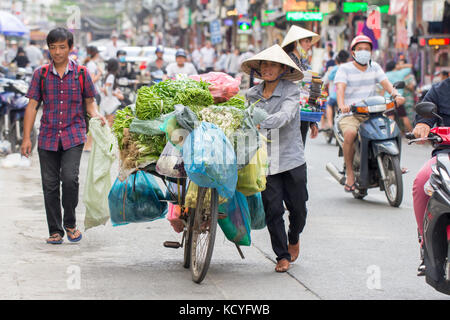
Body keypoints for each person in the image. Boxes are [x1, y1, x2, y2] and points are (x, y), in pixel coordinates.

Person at [20, 27, 106, 245]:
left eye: (61, 47)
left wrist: (96, 115)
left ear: (70, 48)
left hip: (73, 134)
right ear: (48, 48)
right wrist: (26, 138)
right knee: (49, 185)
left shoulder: (81, 73)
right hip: (48, 135)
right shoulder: (40, 74)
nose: (57, 52)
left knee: (69, 179)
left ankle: (70, 223)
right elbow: (32, 106)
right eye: (52, 47)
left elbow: (89, 102)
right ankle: (55, 230)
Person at [242, 44, 308, 273]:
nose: (267, 68)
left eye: (272, 65)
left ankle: (294, 235)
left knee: (298, 209)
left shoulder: (291, 91)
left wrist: (260, 122)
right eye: (264, 65)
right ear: (259, 69)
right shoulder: (251, 95)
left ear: (282, 68)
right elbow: (243, 124)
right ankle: (282, 255)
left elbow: (285, 116)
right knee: (273, 209)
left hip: (291, 158)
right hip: (266, 161)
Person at [335, 35, 405, 193]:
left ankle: (395, 164)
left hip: (373, 112)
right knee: (350, 134)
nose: (364, 52)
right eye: (360, 49)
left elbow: (386, 84)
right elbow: (340, 89)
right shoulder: (344, 69)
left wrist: (396, 95)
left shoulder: (375, 67)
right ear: (353, 52)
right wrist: (342, 105)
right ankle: (350, 174)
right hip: (351, 114)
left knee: (393, 129)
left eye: (367, 49)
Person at [412, 77, 450, 276]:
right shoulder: (439, 90)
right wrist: (423, 127)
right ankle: (425, 244)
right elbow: (424, 120)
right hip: (446, 156)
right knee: (421, 181)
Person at [281, 25, 321, 146]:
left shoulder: (304, 64)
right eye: (306, 41)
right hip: (288, 114)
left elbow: (307, 92)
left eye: (310, 41)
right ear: (296, 43)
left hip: (303, 114)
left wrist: (312, 122)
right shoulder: (286, 62)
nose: (309, 45)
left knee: (299, 151)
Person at [322, 50, 350, 131]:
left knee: (329, 105)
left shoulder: (333, 69)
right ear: (348, 59)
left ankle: (330, 124)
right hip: (346, 97)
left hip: (334, 95)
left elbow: (326, 80)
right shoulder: (349, 68)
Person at [383, 60, 414, 133]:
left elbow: (383, 89)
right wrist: (400, 66)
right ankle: (413, 135)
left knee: (391, 118)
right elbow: (410, 66)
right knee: (404, 117)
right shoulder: (400, 73)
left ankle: (391, 134)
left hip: (388, 99)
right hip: (398, 99)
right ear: (395, 66)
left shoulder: (385, 74)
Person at [83, 46, 103, 152]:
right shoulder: (91, 65)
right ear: (95, 53)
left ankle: (89, 144)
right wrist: (100, 73)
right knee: (93, 119)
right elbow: (91, 81)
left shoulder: (91, 63)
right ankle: (88, 145)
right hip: (93, 94)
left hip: (94, 93)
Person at [100, 58, 124, 127]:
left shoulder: (108, 74)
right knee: (110, 121)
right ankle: (108, 136)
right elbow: (107, 89)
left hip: (107, 102)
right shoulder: (111, 76)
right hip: (109, 103)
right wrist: (116, 94)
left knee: (108, 121)